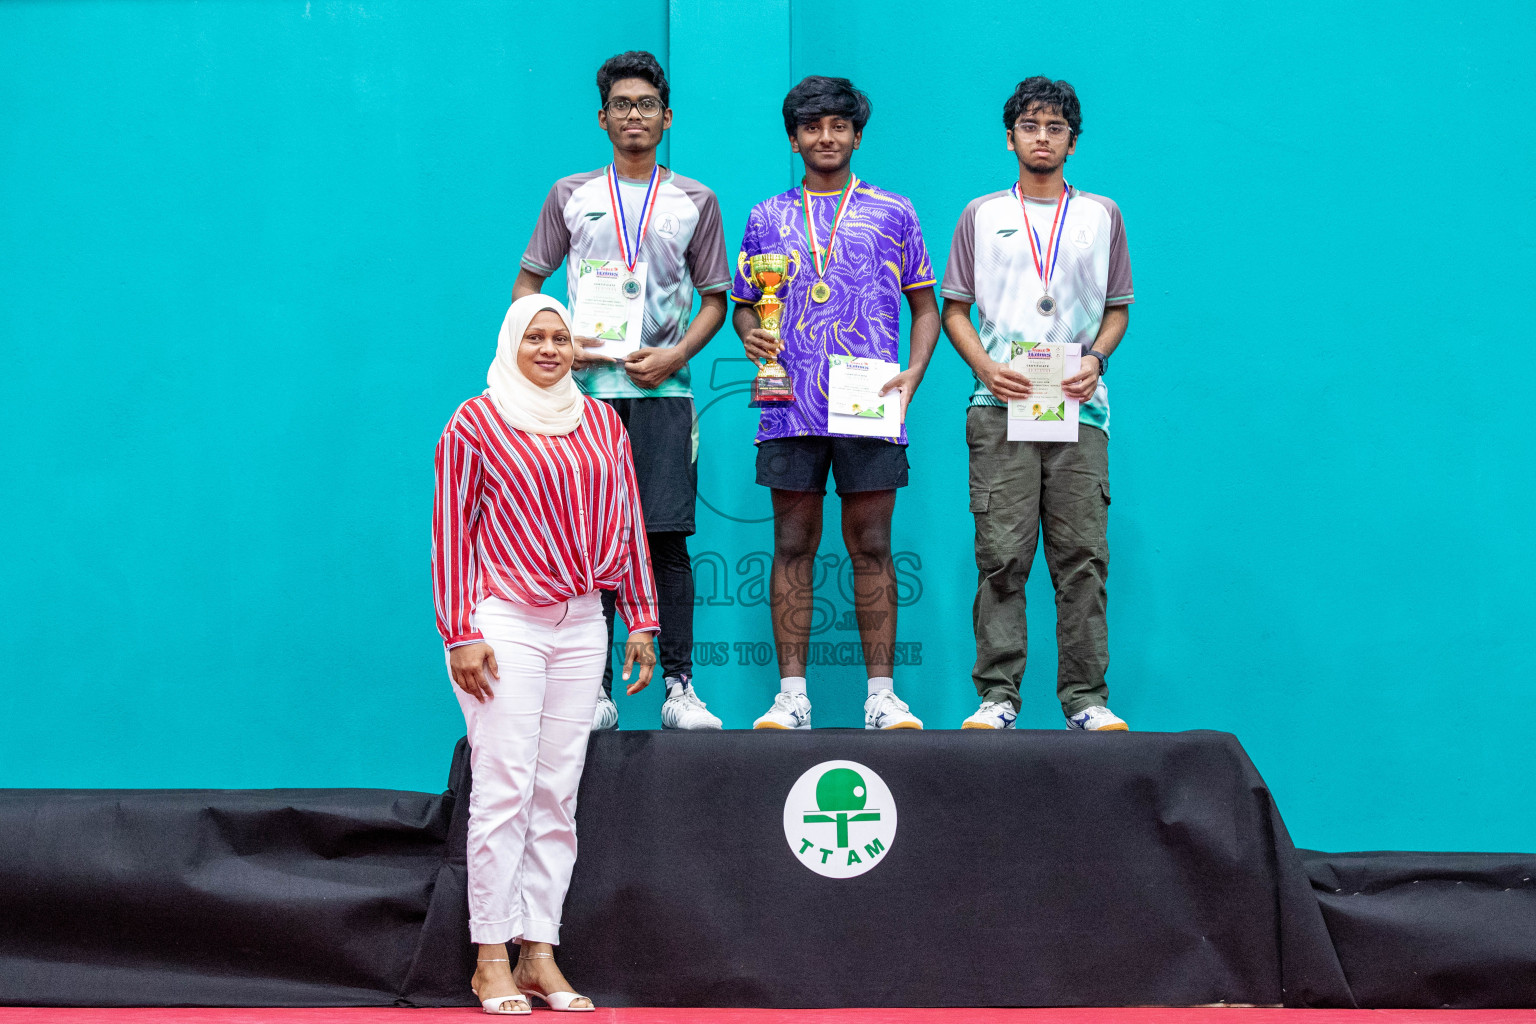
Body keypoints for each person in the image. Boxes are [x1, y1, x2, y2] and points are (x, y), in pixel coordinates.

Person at [433, 294, 659, 1013]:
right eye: (535, 337)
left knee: (556, 795)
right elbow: (449, 532)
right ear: (511, 343)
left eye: (561, 337)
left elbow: (628, 522)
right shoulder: (477, 420)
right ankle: (489, 958)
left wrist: (644, 621)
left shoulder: (599, 422)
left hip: (583, 624)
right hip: (504, 625)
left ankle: (540, 953)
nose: (551, 348)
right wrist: (460, 632)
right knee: (504, 791)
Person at [513, 50, 730, 732]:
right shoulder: (569, 194)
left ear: (666, 118)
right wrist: (562, 345)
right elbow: (528, 287)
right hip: (584, 401)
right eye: (621, 106)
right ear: (603, 117)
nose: (634, 116)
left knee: (666, 542)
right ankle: (594, 691)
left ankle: (681, 689)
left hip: (665, 398)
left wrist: (676, 355)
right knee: (589, 543)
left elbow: (717, 299)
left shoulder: (695, 199)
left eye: (646, 106)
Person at [732, 76, 940, 731]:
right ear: (793, 137)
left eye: (838, 125)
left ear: (856, 134)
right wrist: (752, 338)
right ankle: (791, 696)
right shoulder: (767, 215)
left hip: (869, 403)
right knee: (793, 543)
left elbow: (926, 305)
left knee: (872, 545)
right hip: (789, 401)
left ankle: (882, 695)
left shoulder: (894, 211)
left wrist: (912, 375)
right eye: (812, 125)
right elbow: (744, 308)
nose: (826, 136)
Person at [940, 77, 1134, 732]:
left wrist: (1094, 360)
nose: (1042, 137)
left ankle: (1087, 700)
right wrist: (987, 367)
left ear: (1072, 142)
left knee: (1083, 561)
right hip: (999, 406)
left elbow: (1116, 311)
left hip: (1080, 408)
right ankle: (997, 697)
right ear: (1010, 137)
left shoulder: (1102, 216)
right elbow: (955, 310)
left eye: (1055, 127)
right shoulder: (981, 215)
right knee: (1001, 557)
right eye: (1030, 125)